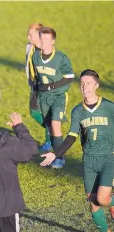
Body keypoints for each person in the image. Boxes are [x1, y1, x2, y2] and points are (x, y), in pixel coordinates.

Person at [41, 69, 114, 232]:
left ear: (96, 85)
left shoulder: (109, 107)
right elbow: (72, 136)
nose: (84, 86)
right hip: (89, 160)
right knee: (93, 202)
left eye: (88, 83)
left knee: (102, 199)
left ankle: (110, 201)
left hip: (108, 158)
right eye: (82, 83)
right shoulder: (77, 111)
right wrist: (56, 153)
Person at [31, 26, 75, 169]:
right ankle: (55, 153)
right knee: (50, 126)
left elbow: (69, 77)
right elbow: (36, 79)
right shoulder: (35, 56)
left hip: (58, 96)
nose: (43, 42)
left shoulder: (61, 59)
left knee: (56, 125)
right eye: (41, 39)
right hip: (44, 97)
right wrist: (34, 96)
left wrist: (52, 86)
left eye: (47, 39)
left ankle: (59, 158)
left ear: (53, 41)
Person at [25, 23, 51, 152]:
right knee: (34, 112)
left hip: (45, 88)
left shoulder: (45, 52)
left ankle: (49, 141)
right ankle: (52, 128)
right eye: (28, 34)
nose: (28, 37)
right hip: (34, 87)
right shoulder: (30, 48)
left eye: (31, 35)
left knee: (46, 114)